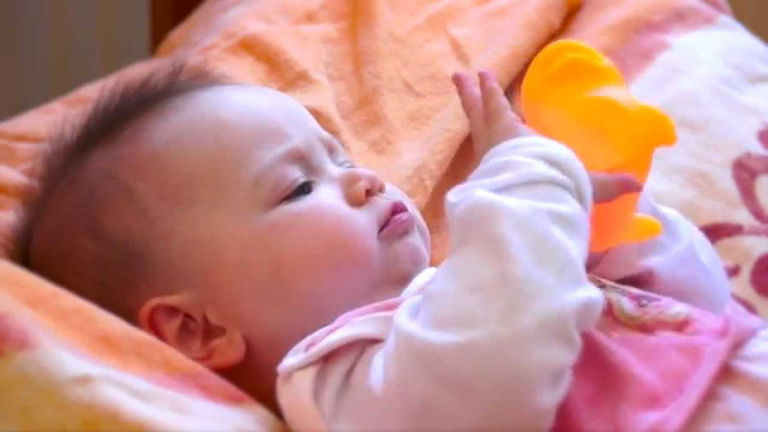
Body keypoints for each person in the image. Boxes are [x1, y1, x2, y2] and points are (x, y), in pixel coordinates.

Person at [16, 66, 767, 429]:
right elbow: (495, 370)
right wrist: (528, 182)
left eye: (340, 156)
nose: (363, 180)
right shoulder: (340, 384)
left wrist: (615, 237)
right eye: (298, 187)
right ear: (196, 328)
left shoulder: (465, 290)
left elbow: (703, 314)